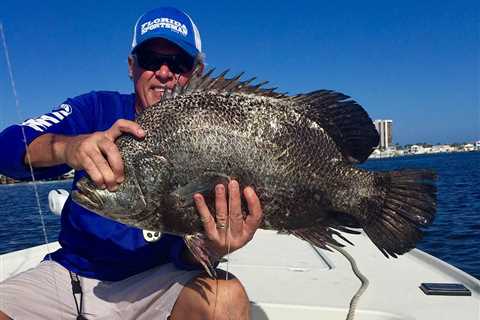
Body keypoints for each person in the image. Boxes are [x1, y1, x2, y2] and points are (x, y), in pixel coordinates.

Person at [0, 7, 262, 320]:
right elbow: (7, 148)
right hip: (72, 277)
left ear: (198, 72)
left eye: (179, 62)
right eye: (151, 59)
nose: (164, 72)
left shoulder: (216, 134)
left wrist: (216, 248)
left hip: (161, 281)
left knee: (227, 301)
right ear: (131, 66)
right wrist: (70, 147)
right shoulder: (96, 109)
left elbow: (187, 259)